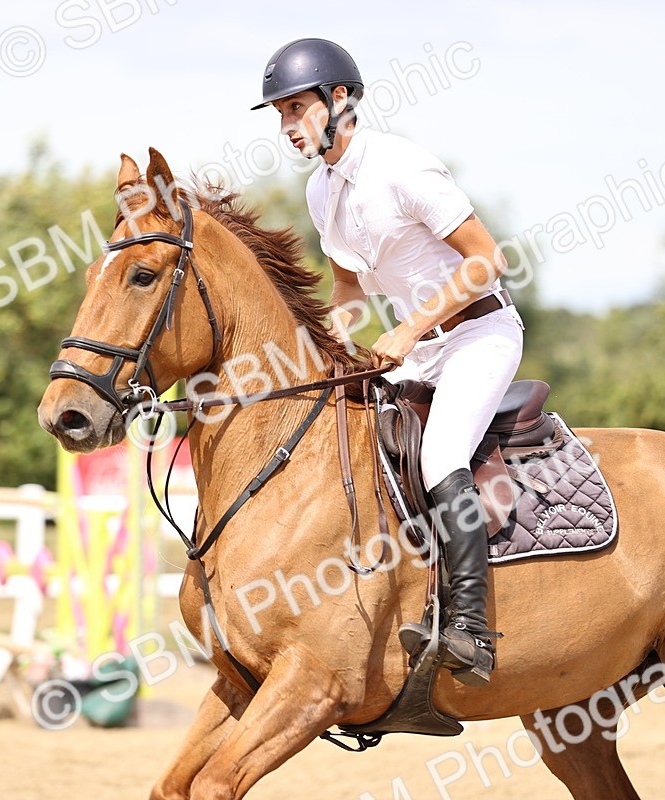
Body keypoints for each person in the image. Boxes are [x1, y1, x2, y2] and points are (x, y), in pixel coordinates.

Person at [251, 38, 524, 686]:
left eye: (296, 109)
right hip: (419, 351)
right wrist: (328, 344)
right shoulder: (323, 192)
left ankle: (471, 630)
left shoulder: (402, 167)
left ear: (339, 99)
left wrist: (408, 328)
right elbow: (346, 289)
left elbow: (489, 259)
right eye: (281, 115)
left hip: (477, 337)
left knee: (439, 456)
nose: (288, 127)